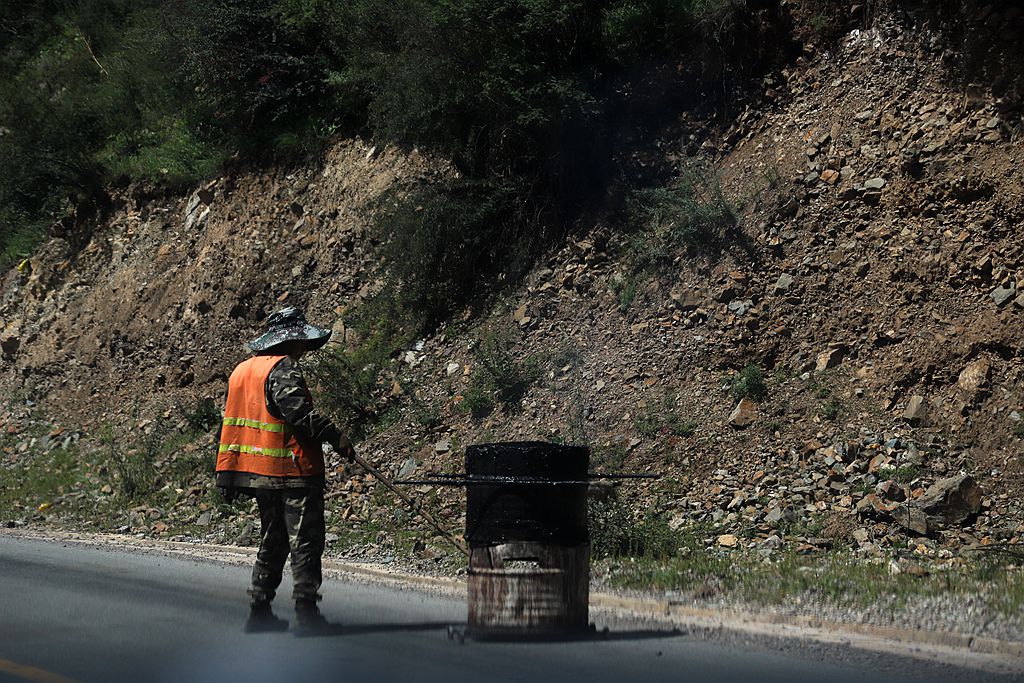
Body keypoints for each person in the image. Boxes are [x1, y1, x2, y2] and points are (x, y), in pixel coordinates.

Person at [216, 306, 355, 632]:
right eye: (300, 342)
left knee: (273, 539)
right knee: (305, 540)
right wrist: (336, 437)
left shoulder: (244, 370)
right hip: (292, 470)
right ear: (291, 341)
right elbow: (298, 414)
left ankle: (259, 610)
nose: (303, 349)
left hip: (258, 471)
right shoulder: (283, 369)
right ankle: (307, 615)